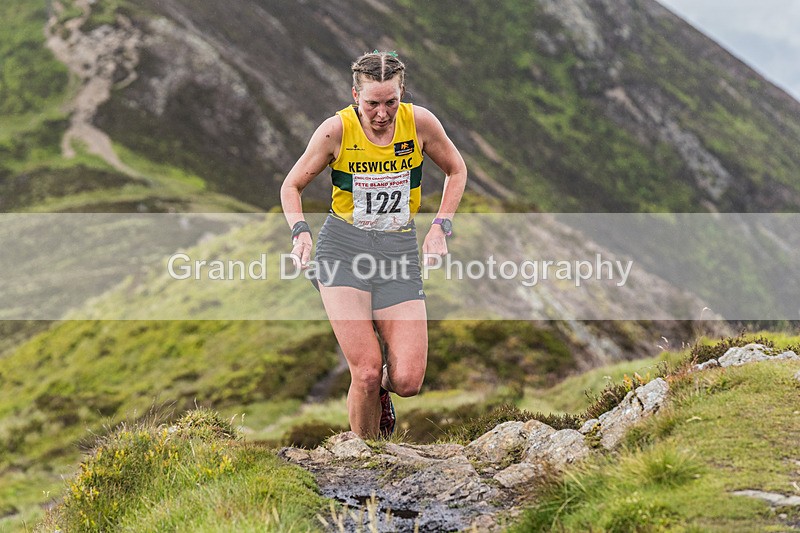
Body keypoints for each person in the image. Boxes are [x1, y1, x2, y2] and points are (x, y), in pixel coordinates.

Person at [280, 50, 467, 439]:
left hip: (398, 253)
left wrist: (440, 226)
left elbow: (456, 169)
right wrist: (300, 231)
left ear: (402, 93)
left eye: (390, 103)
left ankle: (382, 389)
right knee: (364, 370)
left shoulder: (420, 124)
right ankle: (366, 455)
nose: (382, 114)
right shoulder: (336, 131)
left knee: (408, 380)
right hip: (342, 250)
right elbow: (292, 185)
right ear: (355, 95)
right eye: (371, 104)